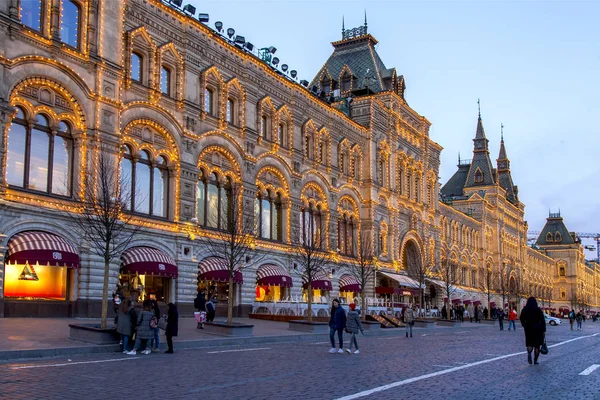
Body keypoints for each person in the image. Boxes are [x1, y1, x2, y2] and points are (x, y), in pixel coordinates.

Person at [520, 297, 546, 365]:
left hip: (528, 328)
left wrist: (524, 325)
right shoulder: (538, 309)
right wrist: (544, 330)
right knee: (537, 346)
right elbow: (543, 320)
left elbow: (521, 318)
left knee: (529, 343)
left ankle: (529, 353)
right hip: (537, 329)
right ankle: (535, 360)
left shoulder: (525, 309)